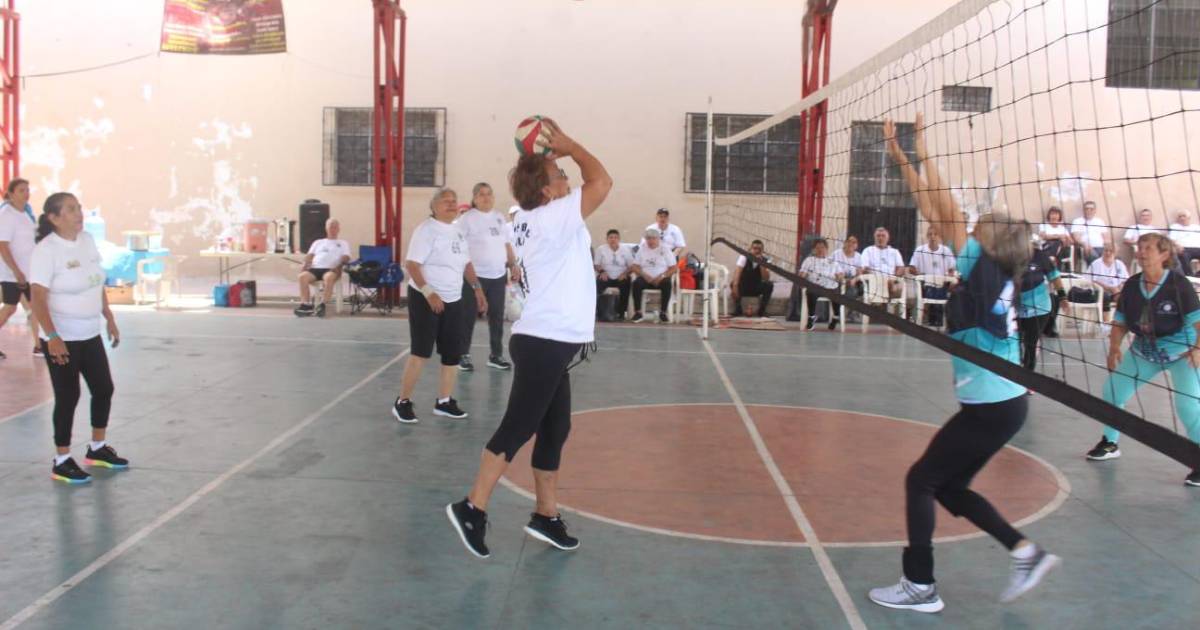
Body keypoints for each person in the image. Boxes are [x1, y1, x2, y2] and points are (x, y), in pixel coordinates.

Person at [870, 113, 1060, 612]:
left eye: (984, 224)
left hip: (993, 406)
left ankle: (920, 585)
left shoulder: (982, 262)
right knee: (950, 488)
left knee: (920, 481)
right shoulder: (991, 267)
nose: (975, 224)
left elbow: (945, 209)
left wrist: (921, 148)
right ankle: (1026, 552)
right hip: (1001, 403)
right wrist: (900, 154)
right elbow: (934, 208)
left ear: (991, 240)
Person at [447, 118, 613, 557]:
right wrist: (571, 145)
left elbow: (579, 186)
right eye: (560, 175)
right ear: (546, 191)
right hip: (545, 341)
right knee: (518, 426)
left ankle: (545, 515)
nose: (568, 177)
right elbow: (602, 181)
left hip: (547, 341)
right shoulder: (553, 216)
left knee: (556, 428)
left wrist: (547, 158)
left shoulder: (528, 218)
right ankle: (472, 507)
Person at [1086, 233, 1200, 487]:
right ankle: (1110, 443)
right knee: (1113, 390)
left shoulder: (1178, 285)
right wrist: (1114, 348)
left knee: (1188, 405)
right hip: (1145, 351)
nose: (1141, 252)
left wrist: (1198, 348)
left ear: (1164, 254)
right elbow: (1120, 321)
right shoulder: (1132, 285)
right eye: (1140, 247)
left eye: (1148, 248)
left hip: (1182, 352)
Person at [28, 192, 127, 484]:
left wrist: (108, 316)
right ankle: (61, 460)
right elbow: (37, 297)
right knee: (68, 396)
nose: (79, 213)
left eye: (79, 208)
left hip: (90, 333)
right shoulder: (46, 251)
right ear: (54, 218)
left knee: (104, 388)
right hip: (63, 337)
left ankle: (97, 448)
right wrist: (52, 336)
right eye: (71, 209)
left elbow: (96, 282)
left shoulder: (87, 241)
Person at [391, 188, 487, 424]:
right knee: (421, 352)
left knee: (452, 353)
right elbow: (412, 264)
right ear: (434, 207)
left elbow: (466, 263)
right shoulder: (426, 230)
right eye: (446, 201)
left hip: (454, 299)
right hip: (426, 298)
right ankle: (402, 402)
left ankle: (444, 402)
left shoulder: (458, 231)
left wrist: (477, 289)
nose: (452, 204)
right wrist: (428, 292)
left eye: (454, 201)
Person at [458, 182, 520, 371]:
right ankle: (462, 355)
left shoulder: (499, 217)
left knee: (497, 317)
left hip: (498, 276)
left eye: (489, 194)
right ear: (475, 198)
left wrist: (513, 264)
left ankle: (496, 355)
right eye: (482, 194)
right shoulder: (467, 219)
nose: (486, 197)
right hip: (474, 276)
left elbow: (506, 245)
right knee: (467, 316)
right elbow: (459, 249)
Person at [0, 178, 40, 357]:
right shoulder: (6, 215)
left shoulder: (25, 214)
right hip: (13, 273)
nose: (26, 193)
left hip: (30, 271)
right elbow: (3, 245)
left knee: (37, 307)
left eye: (27, 190)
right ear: (11, 194)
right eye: (21, 190)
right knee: (10, 307)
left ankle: (39, 345)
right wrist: (16, 271)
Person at [1016, 244, 1067, 371]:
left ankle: (1027, 375)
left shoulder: (1039, 255)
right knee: (1014, 343)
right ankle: (1014, 372)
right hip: (1015, 307)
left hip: (1039, 308)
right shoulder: (1008, 254)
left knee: (1030, 343)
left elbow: (1054, 276)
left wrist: (1062, 297)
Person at [294, 218, 351, 318]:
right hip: (315, 269)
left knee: (328, 278)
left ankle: (322, 305)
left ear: (338, 229)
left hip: (331, 270)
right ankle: (306, 305)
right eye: (330, 227)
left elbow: (347, 257)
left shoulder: (343, 243)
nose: (332, 229)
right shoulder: (318, 242)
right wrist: (305, 264)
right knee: (302, 276)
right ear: (326, 228)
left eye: (335, 227)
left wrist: (342, 262)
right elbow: (309, 256)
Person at [908, 225, 958, 326]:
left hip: (943, 285)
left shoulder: (946, 251)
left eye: (935, 234)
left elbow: (952, 269)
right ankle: (934, 320)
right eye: (930, 234)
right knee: (931, 291)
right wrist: (921, 275)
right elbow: (911, 268)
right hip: (925, 285)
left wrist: (949, 277)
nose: (933, 237)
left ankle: (942, 321)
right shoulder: (920, 250)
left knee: (954, 289)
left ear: (939, 236)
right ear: (927, 236)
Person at [631, 227, 677, 323]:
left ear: (658, 239)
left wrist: (661, 276)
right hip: (645, 278)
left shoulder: (665, 249)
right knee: (636, 283)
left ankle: (663, 312)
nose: (651, 241)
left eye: (653, 238)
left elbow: (673, 268)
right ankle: (638, 312)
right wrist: (644, 275)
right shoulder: (642, 249)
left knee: (667, 284)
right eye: (648, 238)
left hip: (661, 279)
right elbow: (634, 266)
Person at [797, 238, 840, 330]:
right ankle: (811, 318)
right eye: (818, 248)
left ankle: (835, 318)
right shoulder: (809, 260)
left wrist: (839, 276)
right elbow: (802, 273)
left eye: (822, 247)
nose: (820, 250)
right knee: (811, 292)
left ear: (826, 249)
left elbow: (840, 274)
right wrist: (802, 275)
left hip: (830, 287)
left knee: (837, 294)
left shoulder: (832, 261)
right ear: (814, 249)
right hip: (815, 286)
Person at [594, 228, 634, 320]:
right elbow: (596, 264)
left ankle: (621, 312)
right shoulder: (601, 249)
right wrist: (602, 272)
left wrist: (625, 274)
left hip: (620, 276)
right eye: (611, 237)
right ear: (607, 239)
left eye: (615, 237)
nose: (613, 239)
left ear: (619, 239)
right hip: (606, 276)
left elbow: (632, 266)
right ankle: (598, 311)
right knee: (598, 283)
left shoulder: (625, 249)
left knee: (626, 283)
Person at [731, 239, 774, 317]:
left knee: (769, 285)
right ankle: (738, 309)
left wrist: (761, 264)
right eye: (755, 248)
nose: (757, 251)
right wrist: (735, 285)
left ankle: (762, 311)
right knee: (733, 283)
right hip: (745, 286)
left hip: (756, 286)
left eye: (759, 249)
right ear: (750, 249)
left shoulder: (766, 260)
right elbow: (737, 271)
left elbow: (766, 278)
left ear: (762, 250)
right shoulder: (744, 257)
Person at [862, 226, 906, 299]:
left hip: (891, 279)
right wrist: (877, 277)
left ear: (888, 238)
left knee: (897, 284)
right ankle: (889, 291)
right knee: (887, 285)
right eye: (878, 236)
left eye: (883, 236)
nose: (880, 238)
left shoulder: (894, 252)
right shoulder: (868, 251)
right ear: (874, 238)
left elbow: (901, 268)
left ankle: (890, 288)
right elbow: (865, 269)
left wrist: (894, 277)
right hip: (874, 280)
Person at [1086, 244, 1129, 314]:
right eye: (1106, 250)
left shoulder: (1120, 264)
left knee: (1128, 295)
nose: (1108, 253)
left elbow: (1126, 280)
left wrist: (1120, 286)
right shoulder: (1096, 264)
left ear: (1115, 253)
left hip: (1116, 291)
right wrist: (1108, 288)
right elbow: (1090, 280)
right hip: (1100, 292)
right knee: (1110, 296)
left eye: (1111, 251)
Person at [1070, 200, 1109, 268]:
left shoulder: (1100, 221)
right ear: (1083, 210)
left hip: (1101, 248)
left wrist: (1109, 247)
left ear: (1095, 210)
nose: (1089, 211)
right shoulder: (1078, 221)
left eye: (1091, 209)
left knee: (1115, 258)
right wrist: (1084, 244)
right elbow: (1076, 238)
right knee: (1095, 258)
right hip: (1085, 248)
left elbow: (1106, 238)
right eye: (1087, 209)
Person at [1168, 209, 1200, 275]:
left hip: (1198, 248)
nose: (1182, 218)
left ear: (1189, 217)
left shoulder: (1196, 227)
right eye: (1180, 216)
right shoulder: (1175, 227)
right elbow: (1171, 239)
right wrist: (1177, 246)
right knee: (1183, 255)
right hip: (1184, 249)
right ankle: (1190, 276)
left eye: (1184, 216)